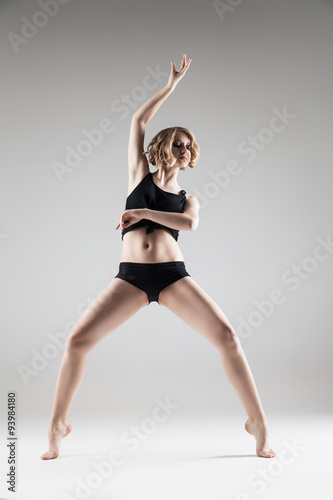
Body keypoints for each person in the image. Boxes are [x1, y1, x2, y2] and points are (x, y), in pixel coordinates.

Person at [41, 53, 276, 460]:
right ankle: (58, 424)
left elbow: (189, 227)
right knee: (77, 341)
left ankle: (258, 424)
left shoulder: (189, 199)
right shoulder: (138, 175)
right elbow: (137, 122)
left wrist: (145, 212)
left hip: (171, 277)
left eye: (189, 146)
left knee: (228, 337)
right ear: (164, 147)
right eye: (178, 143)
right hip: (130, 277)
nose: (185, 150)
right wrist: (171, 85)